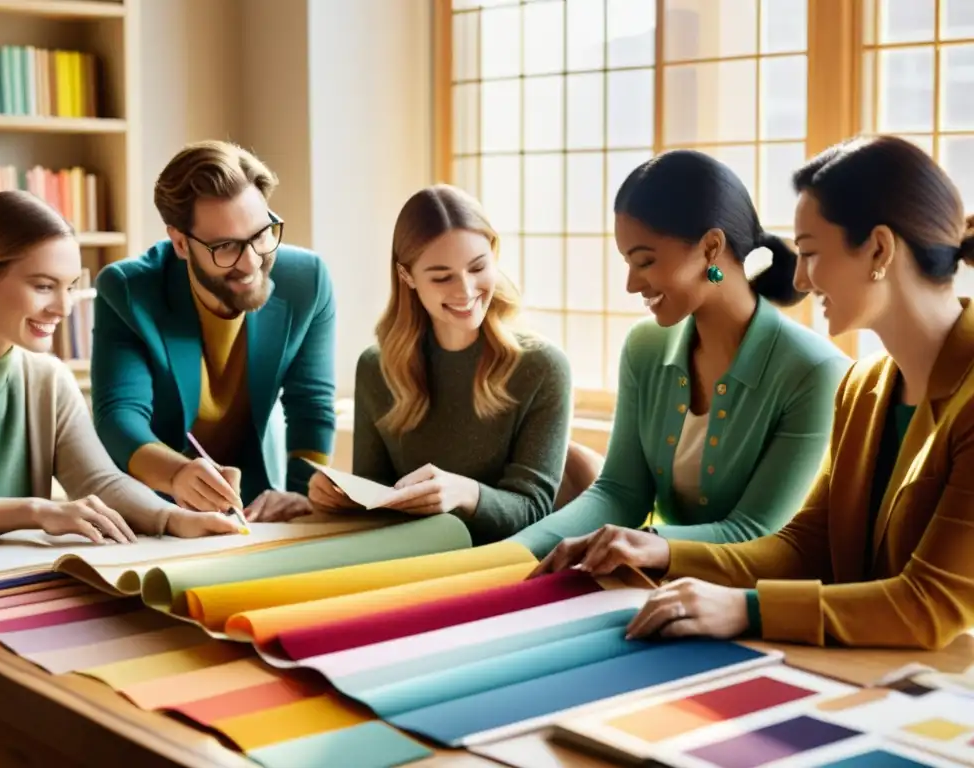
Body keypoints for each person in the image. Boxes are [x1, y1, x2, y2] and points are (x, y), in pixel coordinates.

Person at [536, 136, 974, 651]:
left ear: (878, 249)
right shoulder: (863, 388)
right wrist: (658, 550)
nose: (801, 279)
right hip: (856, 668)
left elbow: (930, 605)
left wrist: (745, 608)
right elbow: (801, 548)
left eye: (811, 253)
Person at [511, 150, 851, 559]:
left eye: (645, 261)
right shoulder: (645, 347)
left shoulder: (813, 371)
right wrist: (512, 553)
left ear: (711, 248)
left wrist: (645, 543)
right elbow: (620, 493)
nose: (631, 285)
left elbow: (756, 531)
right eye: (627, 262)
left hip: (758, 601)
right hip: (663, 581)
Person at [0, 191, 239, 543]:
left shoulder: (49, 380)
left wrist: (173, 519)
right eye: (43, 286)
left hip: (14, 582)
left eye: (70, 287)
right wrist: (38, 512)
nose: (64, 307)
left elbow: (99, 481)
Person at [307, 184, 572, 543]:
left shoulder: (543, 367)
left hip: (497, 564)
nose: (465, 290)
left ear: (494, 254)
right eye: (442, 276)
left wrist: (466, 494)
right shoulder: (376, 367)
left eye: (478, 267)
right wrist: (339, 498)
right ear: (407, 276)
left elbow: (533, 510)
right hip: (408, 560)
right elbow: (378, 503)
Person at [91, 140, 336, 521]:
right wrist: (176, 475)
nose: (252, 261)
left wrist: (303, 496)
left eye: (261, 234)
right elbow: (119, 418)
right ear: (181, 243)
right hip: (154, 507)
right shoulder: (128, 290)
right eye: (225, 246)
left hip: (257, 505)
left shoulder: (307, 280)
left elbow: (311, 407)